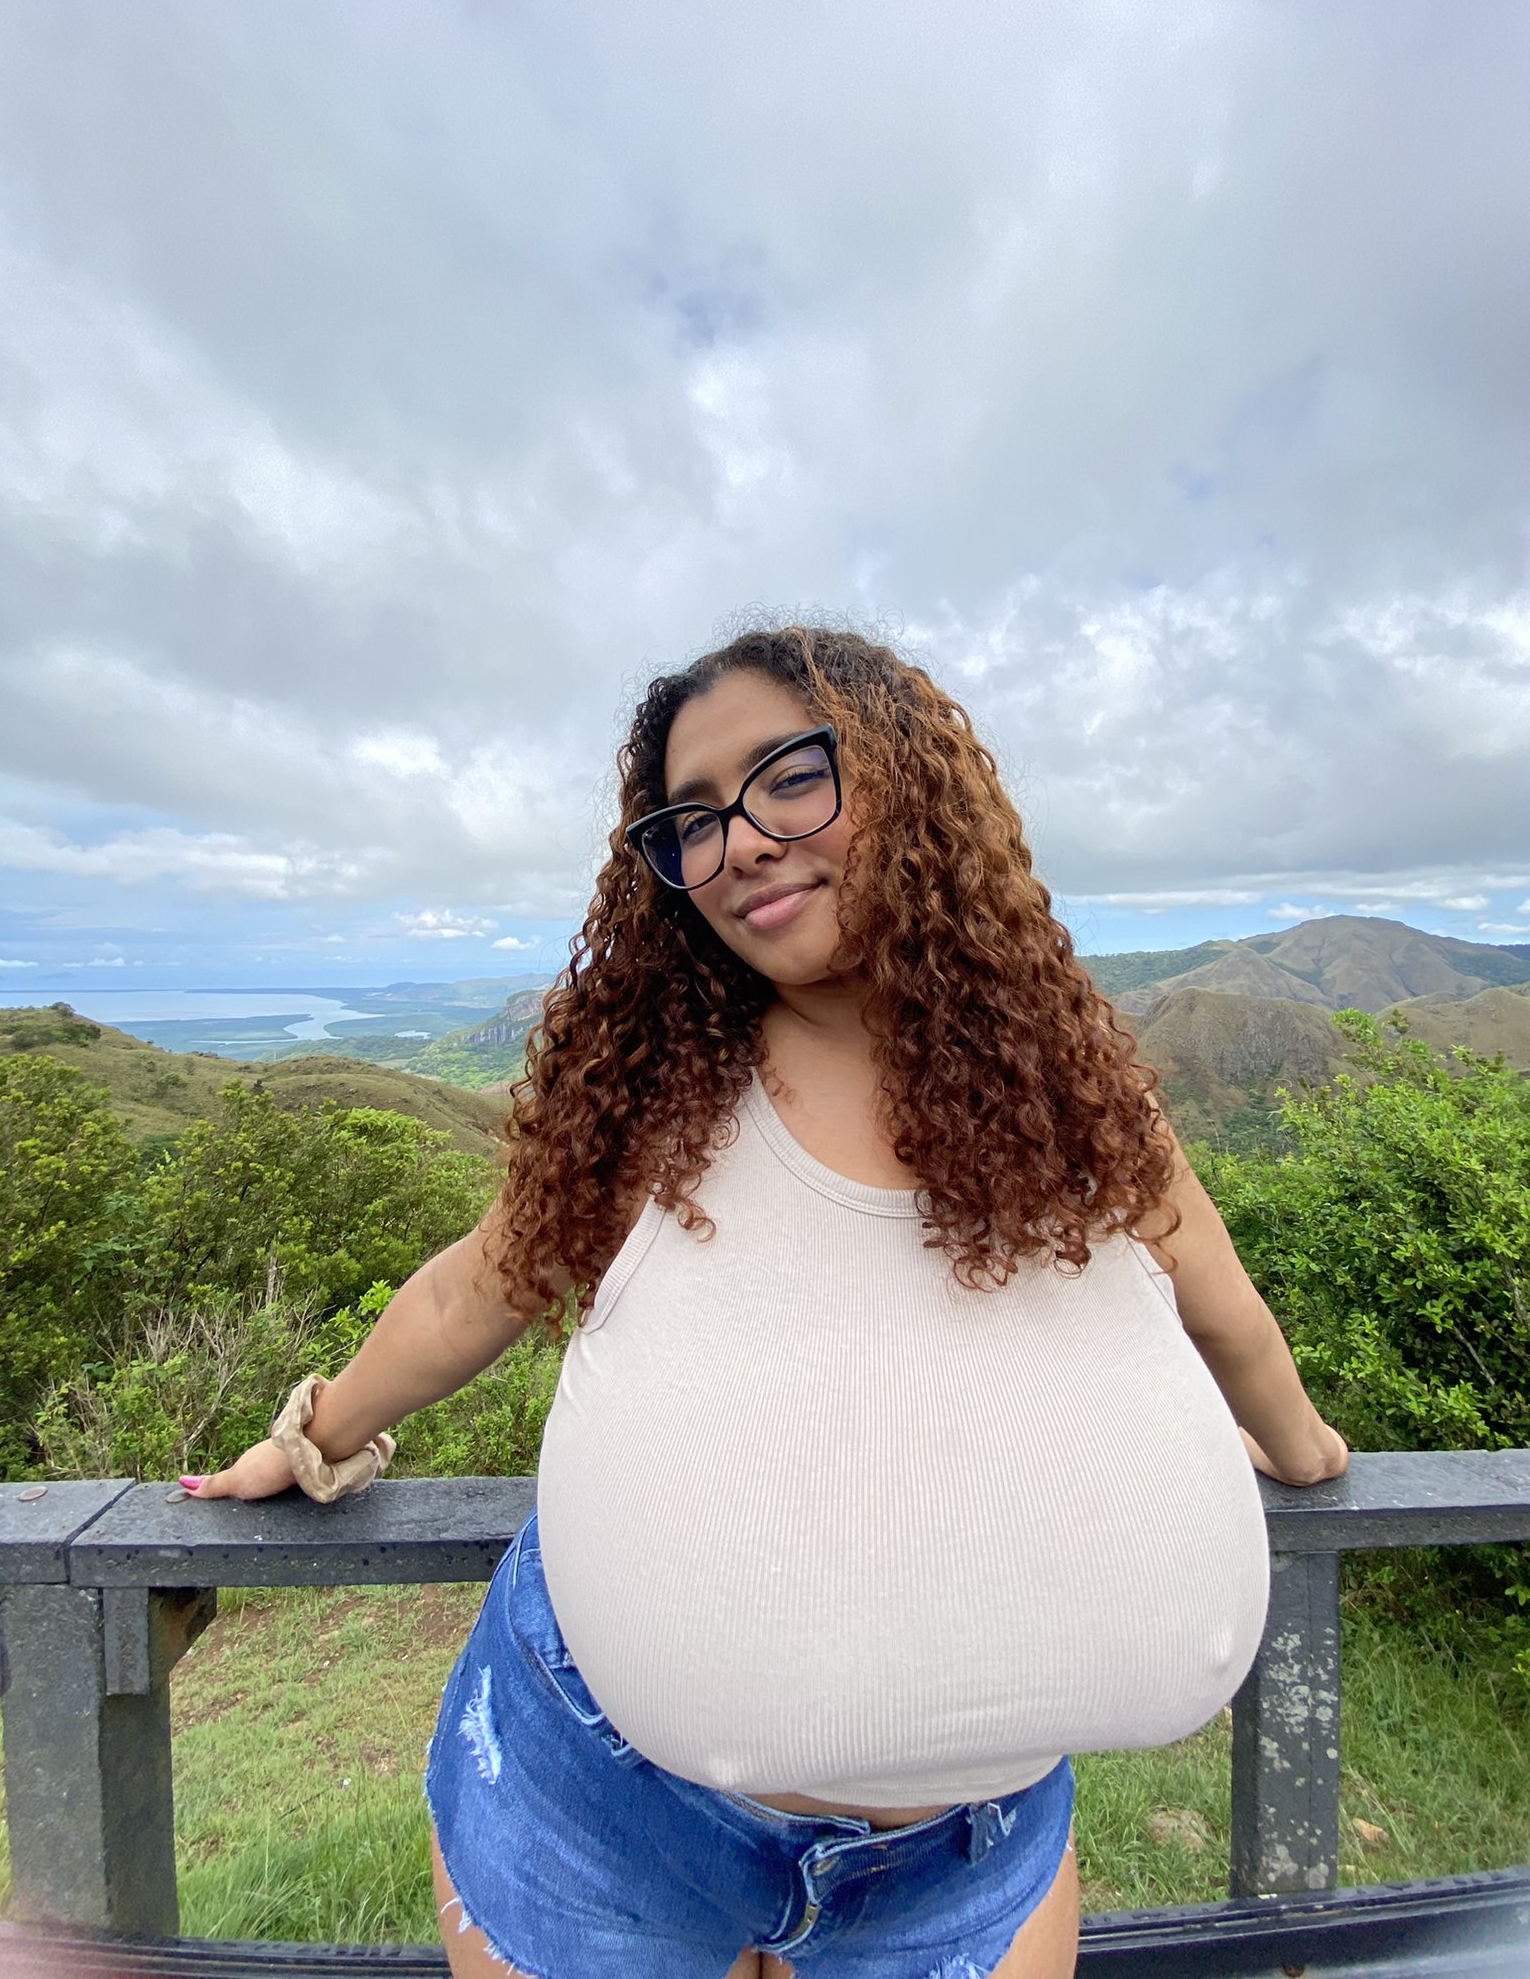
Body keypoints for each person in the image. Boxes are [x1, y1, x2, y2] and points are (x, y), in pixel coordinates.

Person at [185, 625, 1349, 1979]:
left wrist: (1303, 1449)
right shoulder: (653, 1101)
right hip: (602, 1811)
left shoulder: (1079, 1102)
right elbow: (467, 1296)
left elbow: (1222, 1308)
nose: (737, 843)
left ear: (911, 783)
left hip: (966, 1858)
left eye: (791, 777)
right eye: (690, 821)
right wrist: (313, 1439)